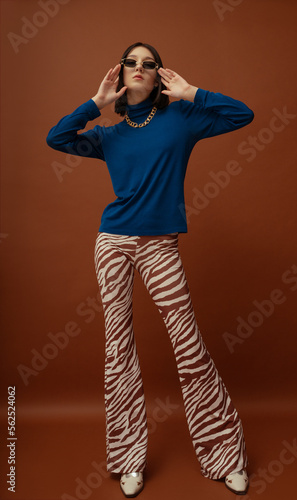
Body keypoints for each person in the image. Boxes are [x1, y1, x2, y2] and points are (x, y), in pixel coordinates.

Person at [46, 41, 254, 498]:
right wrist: (96, 104)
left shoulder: (181, 120)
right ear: (121, 74)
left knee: (189, 344)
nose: (139, 68)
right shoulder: (110, 135)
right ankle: (127, 460)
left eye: (149, 64)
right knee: (118, 350)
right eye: (131, 63)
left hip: (160, 245)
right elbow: (57, 137)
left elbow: (243, 115)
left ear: (159, 74)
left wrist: (191, 92)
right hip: (113, 242)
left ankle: (225, 457)